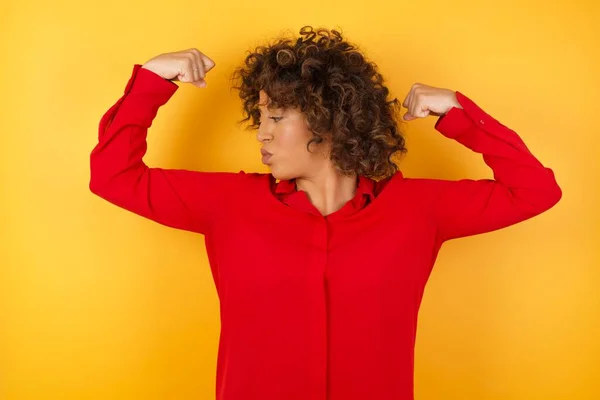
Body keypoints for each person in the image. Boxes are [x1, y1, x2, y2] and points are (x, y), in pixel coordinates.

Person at [89, 26, 562, 400]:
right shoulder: (229, 205)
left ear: (328, 119)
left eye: (275, 118)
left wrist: (460, 114)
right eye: (262, 120)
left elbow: (535, 191)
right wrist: (150, 81)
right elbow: (112, 175)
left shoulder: (418, 210)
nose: (262, 135)